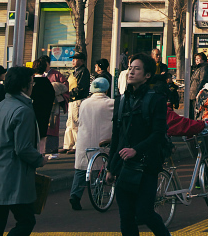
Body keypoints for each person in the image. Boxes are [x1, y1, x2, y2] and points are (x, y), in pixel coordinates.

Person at [107, 54, 171, 236]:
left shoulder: (155, 99)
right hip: (123, 166)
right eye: (130, 67)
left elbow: (158, 133)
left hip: (146, 165)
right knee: (126, 217)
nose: (131, 71)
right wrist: (111, 168)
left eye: (137, 68)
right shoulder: (120, 101)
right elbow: (116, 135)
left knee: (144, 213)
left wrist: (136, 149)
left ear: (147, 75)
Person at [0, 66, 46, 236]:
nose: (33, 86)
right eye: (32, 83)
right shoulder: (23, 110)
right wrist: (39, 159)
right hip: (15, 176)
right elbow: (23, 148)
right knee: (26, 221)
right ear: (25, 86)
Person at [69, 77, 115, 210]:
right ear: (106, 89)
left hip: (84, 140)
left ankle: (75, 195)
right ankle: (98, 195)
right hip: (103, 140)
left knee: (81, 169)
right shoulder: (111, 103)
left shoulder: (84, 103)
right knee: (102, 168)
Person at [63, 52, 90, 154]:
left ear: (82, 61)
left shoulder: (83, 72)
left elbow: (81, 88)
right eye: (73, 59)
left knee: (75, 123)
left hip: (77, 99)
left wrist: (69, 93)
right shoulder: (75, 71)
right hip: (72, 99)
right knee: (69, 123)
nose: (73, 60)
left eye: (76, 59)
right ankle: (68, 144)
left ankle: (76, 145)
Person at [29, 58, 56, 156]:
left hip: (31, 112)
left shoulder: (31, 82)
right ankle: (41, 155)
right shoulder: (47, 82)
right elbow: (52, 96)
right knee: (42, 134)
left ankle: (31, 154)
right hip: (44, 112)